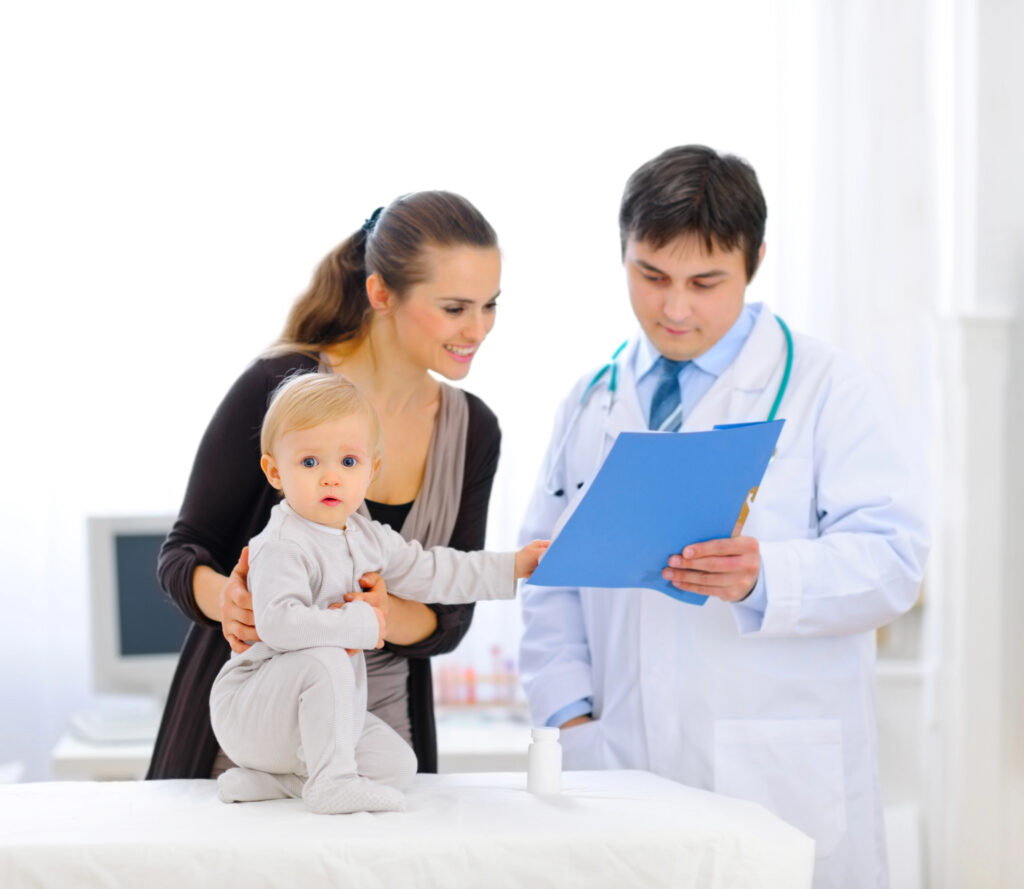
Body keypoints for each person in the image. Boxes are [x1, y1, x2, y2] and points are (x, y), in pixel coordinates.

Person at [517, 146, 929, 889]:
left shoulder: (827, 388)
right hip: (616, 767)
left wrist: (767, 574)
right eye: (651, 276)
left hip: (776, 777)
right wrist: (570, 717)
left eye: (706, 282)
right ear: (623, 255)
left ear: (755, 261)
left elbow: (895, 560)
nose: (675, 308)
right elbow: (545, 573)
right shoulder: (591, 398)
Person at [151, 191, 505, 780]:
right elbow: (183, 551)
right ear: (381, 293)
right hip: (254, 736)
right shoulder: (278, 386)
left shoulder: (474, 431)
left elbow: (451, 615)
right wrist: (234, 605)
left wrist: (382, 613)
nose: (479, 329)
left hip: (383, 732)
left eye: (490, 305)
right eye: (455, 308)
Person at [211, 374, 547, 814]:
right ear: (275, 471)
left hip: (301, 727)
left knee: (396, 766)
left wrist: (513, 566)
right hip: (251, 713)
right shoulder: (281, 545)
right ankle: (331, 785)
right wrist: (361, 623)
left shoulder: (366, 536)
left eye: (348, 462)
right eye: (310, 463)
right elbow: (277, 624)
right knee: (326, 653)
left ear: (372, 470)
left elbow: (435, 569)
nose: (331, 477)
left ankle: (283, 781)